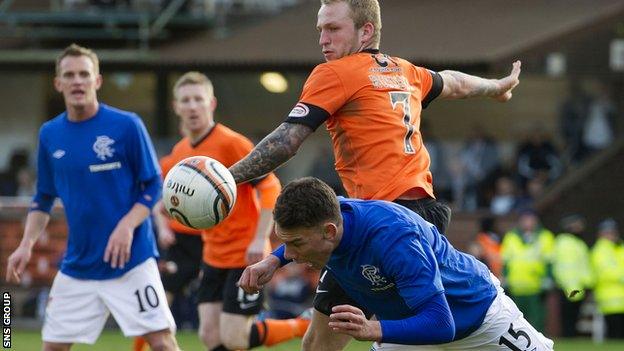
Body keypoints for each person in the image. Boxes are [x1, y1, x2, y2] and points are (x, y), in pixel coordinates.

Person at [227, 1, 521, 349]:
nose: (323, 39)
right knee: (334, 339)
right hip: (421, 216)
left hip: (378, 226)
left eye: (333, 29)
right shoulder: (404, 71)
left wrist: (226, 180)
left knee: (326, 343)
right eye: (320, 29)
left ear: (366, 32)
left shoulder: (335, 73)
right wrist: (495, 86)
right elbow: (453, 83)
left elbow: (287, 141)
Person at [238, 177, 554, 350]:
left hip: (475, 318)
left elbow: (441, 325)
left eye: (295, 245)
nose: (290, 255)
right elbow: (298, 241)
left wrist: (371, 328)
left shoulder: (395, 240)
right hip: (408, 332)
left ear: (330, 232)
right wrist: (271, 260)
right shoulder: (331, 217)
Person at [4, 44, 179, 351]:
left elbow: (154, 185)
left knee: (162, 343)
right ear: (58, 84)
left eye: (84, 74)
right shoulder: (49, 134)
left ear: (97, 81)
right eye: (69, 75)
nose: (77, 81)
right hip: (79, 266)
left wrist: (127, 226)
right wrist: (26, 245)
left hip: (132, 261)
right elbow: (43, 197)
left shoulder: (127, 126)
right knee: (52, 348)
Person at [154, 71, 308, 351]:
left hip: (243, 253)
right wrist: (165, 216)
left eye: (198, 99)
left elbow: (270, 187)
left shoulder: (231, 143)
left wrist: (259, 238)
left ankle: (302, 325)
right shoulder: (179, 154)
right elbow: (177, 205)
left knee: (235, 338)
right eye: (185, 100)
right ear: (176, 106)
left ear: (211, 104)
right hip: (212, 255)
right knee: (210, 337)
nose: (192, 106)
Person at [501, 209, 554, 332]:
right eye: (525, 219)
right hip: (516, 286)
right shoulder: (511, 237)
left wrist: (549, 278)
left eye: (531, 219)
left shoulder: (545, 237)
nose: (528, 223)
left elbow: (549, 260)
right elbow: (506, 261)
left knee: (537, 320)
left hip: (537, 287)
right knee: (516, 320)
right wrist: (504, 277)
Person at [552, 214, 593, 337]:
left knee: (574, 316)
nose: (580, 228)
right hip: (567, 286)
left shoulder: (578, 243)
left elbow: (583, 266)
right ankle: (568, 336)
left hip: (577, 286)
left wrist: (588, 283)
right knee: (568, 316)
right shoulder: (563, 242)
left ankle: (571, 336)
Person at [590, 218, 624, 339]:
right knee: (615, 334)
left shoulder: (619, 247)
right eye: (608, 232)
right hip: (610, 299)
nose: (611, 234)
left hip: (620, 299)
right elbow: (605, 271)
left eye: (613, 231)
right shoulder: (600, 250)